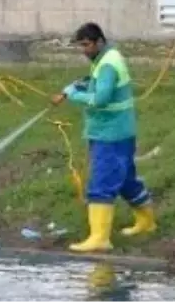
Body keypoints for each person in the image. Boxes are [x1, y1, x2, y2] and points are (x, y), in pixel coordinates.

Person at [51, 22, 156, 252]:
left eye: (87, 45)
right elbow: (98, 84)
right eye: (81, 46)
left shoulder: (107, 63)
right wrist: (79, 85)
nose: (84, 50)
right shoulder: (108, 57)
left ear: (99, 41)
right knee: (127, 181)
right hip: (121, 132)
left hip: (110, 135)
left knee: (101, 183)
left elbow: (101, 99)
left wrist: (75, 94)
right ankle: (147, 222)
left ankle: (99, 238)